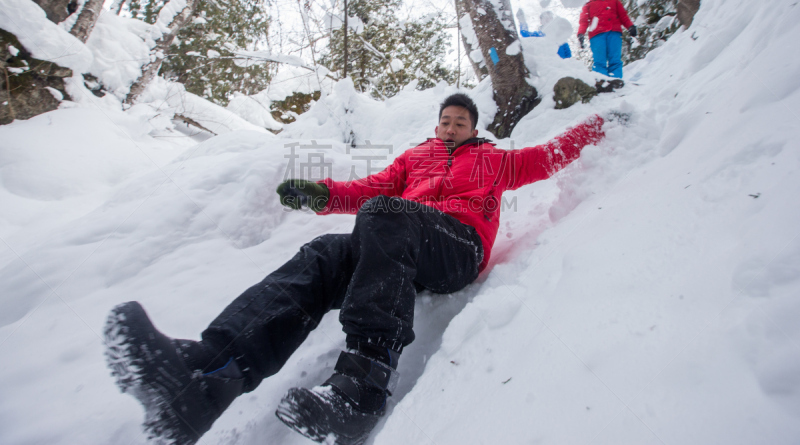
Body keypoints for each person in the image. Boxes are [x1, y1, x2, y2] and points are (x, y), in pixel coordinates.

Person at [103, 93, 606, 445]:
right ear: (436, 127)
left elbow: (551, 154)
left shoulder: (497, 161)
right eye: (445, 121)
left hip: (456, 248)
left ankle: (363, 388)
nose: (451, 127)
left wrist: (602, 123)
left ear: (475, 129)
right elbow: (368, 191)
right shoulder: (416, 158)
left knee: (387, 216)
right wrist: (322, 196)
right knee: (324, 253)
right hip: (398, 239)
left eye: (461, 122)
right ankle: (203, 378)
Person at [577, 0, 637, 79]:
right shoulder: (588, 3)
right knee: (599, 60)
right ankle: (601, 82)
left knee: (615, 59)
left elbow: (623, 16)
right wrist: (580, 34)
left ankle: (616, 81)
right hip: (597, 35)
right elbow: (583, 21)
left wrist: (630, 26)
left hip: (614, 32)